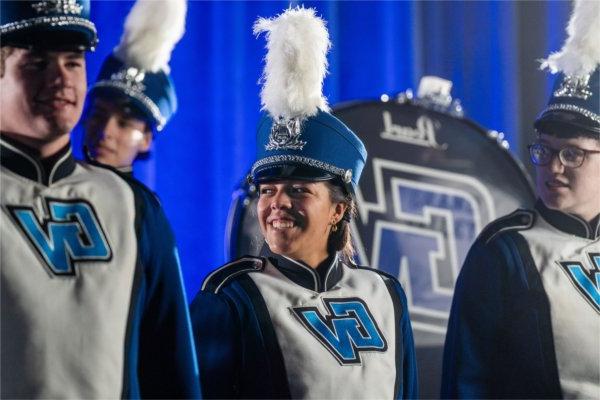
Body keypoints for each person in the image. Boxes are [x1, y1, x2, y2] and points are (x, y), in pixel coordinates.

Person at [190, 7, 418, 399]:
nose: (277, 203)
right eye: (267, 190)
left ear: (339, 209)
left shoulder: (385, 294)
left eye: (298, 190)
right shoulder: (231, 297)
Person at [0, 1, 200, 398]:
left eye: (73, 62)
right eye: (38, 63)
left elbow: (170, 371)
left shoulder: (132, 206)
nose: (60, 80)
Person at [441, 1, 599, 398]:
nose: (553, 167)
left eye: (572, 154)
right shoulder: (504, 248)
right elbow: (467, 382)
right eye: (545, 150)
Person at [83, 0, 184, 177]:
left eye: (123, 123)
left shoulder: (143, 204)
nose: (106, 132)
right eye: (98, 115)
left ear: (146, 139)